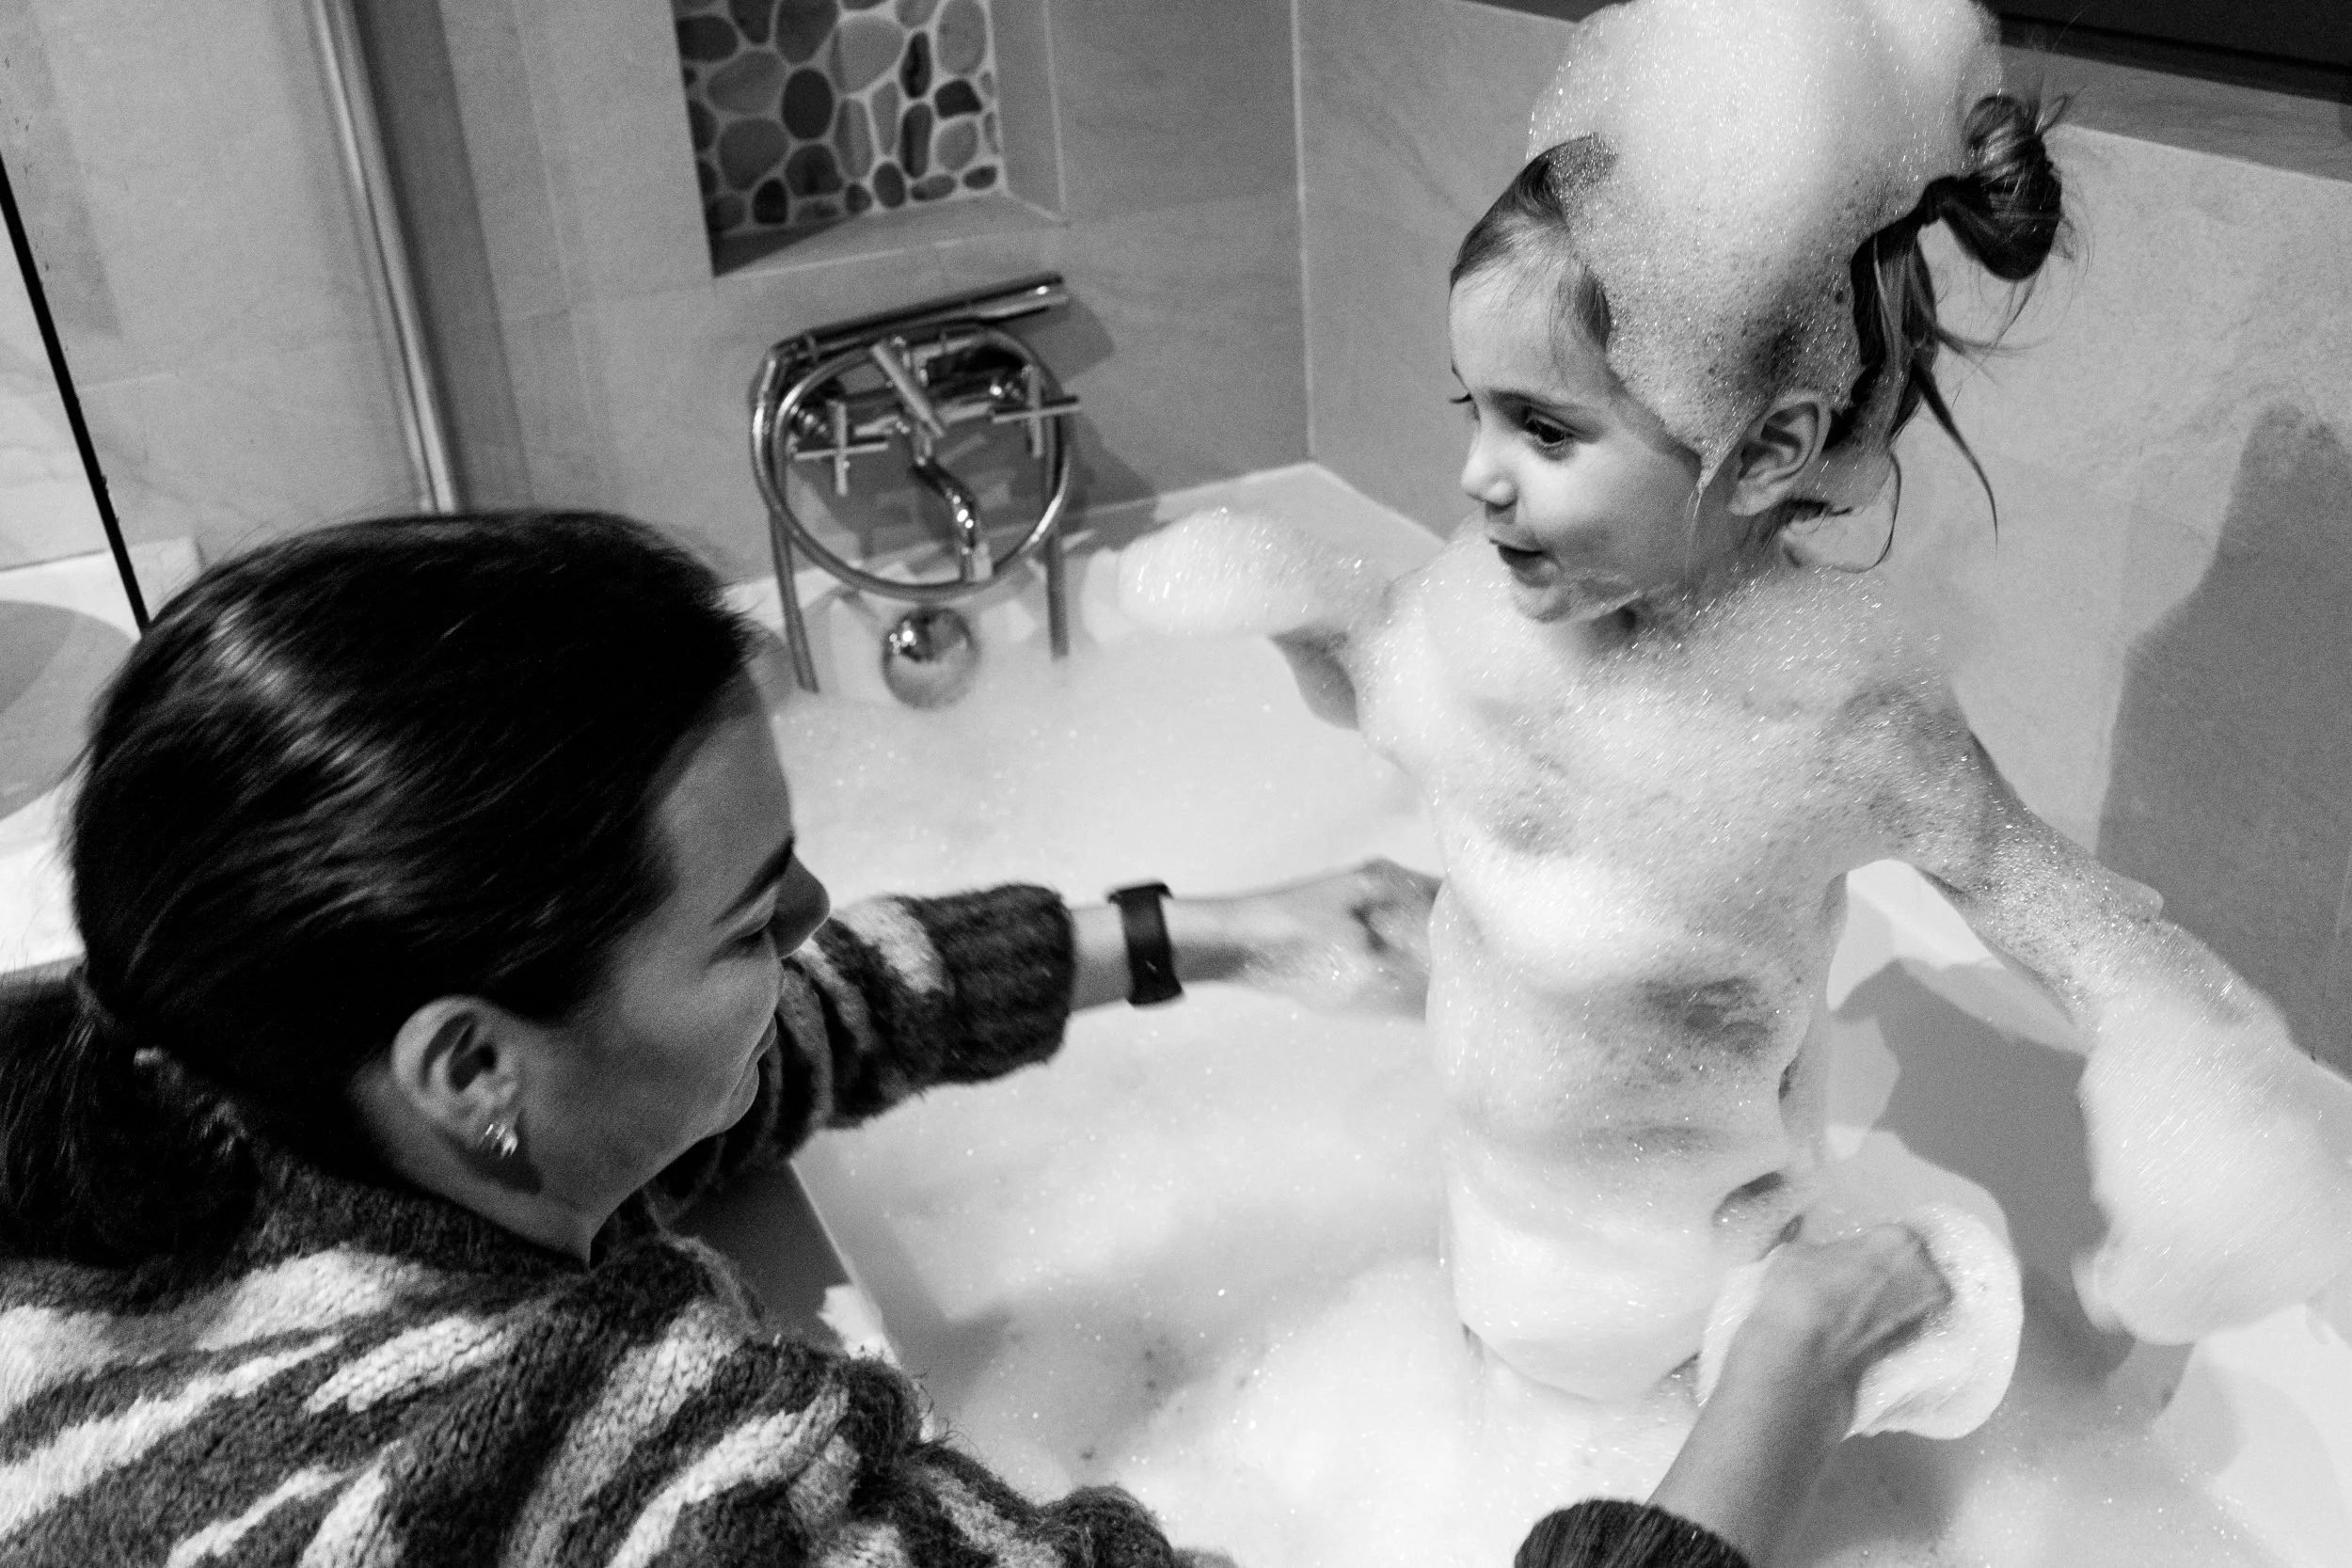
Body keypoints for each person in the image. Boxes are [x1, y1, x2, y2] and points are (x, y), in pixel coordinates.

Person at [0, 510, 1944, 1566]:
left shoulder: (157, 1071)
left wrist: (1203, 931)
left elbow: (747, 1061)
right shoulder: (632, 1475)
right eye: (755, 912)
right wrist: (1782, 1365)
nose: (818, 921)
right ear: (467, 1068)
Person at [1119, 0, 2352, 1410]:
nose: (1476, 474)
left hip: (1682, 1309)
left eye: (1546, 428)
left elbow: (2047, 901)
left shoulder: (1835, 720)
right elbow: (1380, 682)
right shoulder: (1479, 626)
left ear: (1768, 447)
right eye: (1474, 408)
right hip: (1492, 1247)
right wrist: (1291, 610)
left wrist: (2197, 1076)